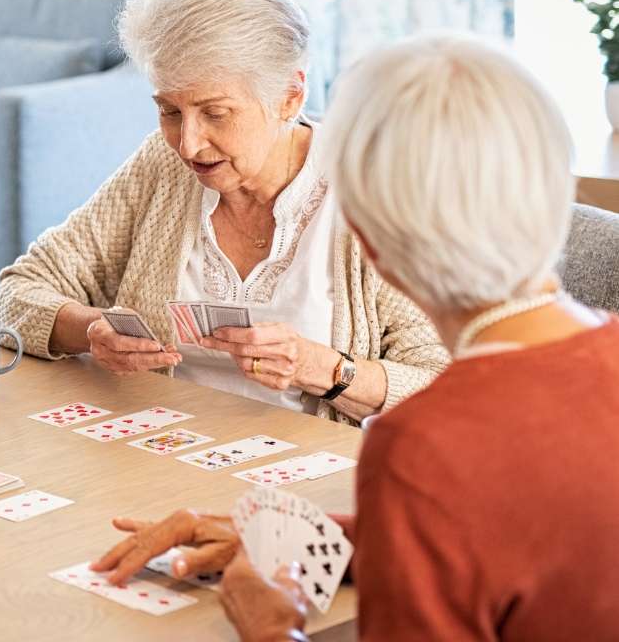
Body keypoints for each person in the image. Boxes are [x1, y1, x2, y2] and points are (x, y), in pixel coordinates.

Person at [90, 35, 619, 640]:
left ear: (368, 244)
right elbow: (522, 533)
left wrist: (268, 627)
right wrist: (296, 536)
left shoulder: (426, 446)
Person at [0, 0, 448, 423]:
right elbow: (13, 295)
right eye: (169, 110)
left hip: (309, 476)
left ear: (290, 96)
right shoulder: (165, 166)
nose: (188, 144)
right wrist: (90, 331)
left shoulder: (372, 190)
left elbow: (445, 384)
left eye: (215, 113)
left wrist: (324, 370)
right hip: (158, 453)